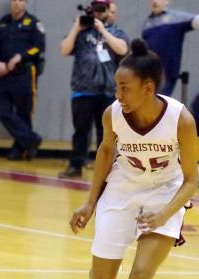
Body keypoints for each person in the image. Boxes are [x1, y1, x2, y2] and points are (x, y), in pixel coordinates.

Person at [69, 39, 199, 279]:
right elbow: (105, 153)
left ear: (148, 88)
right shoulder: (113, 114)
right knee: (100, 277)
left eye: (124, 88)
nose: (118, 95)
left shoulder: (181, 120)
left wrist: (166, 213)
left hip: (165, 193)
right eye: (116, 87)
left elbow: (192, 181)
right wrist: (89, 203)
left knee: (141, 276)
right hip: (122, 189)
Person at [58, 0, 129, 178]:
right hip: (83, 89)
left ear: (109, 11)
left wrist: (102, 30)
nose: (99, 12)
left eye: (103, 9)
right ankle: (76, 165)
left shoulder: (116, 31)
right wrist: (76, 27)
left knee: (106, 133)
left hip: (107, 91)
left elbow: (122, 49)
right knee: (80, 130)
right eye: (96, 8)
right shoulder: (82, 32)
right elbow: (64, 50)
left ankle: (105, 169)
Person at [0, 0, 46, 161]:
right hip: (5, 74)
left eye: (20, 0)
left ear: (25, 3)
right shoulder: (2, 23)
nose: (17, 4)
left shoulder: (34, 23)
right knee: (2, 110)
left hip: (24, 73)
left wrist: (21, 56)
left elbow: (39, 47)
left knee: (23, 113)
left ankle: (20, 149)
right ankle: (31, 139)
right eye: (14, 0)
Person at [142, 0, 199, 97]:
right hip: (147, 76)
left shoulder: (177, 18)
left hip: (165, 77)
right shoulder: (146, 24)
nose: (155, 1)